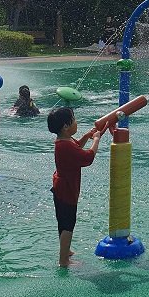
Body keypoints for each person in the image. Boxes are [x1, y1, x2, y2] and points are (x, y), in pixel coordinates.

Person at [47, 107, 103, 267]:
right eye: (74, 119)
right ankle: (64, 260)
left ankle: (66, 250)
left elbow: (77, 145)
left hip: (61, 188)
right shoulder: (65, 146)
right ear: (66, 126)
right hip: (67, 190)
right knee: (68, 225)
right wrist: (96, 140)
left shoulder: (64, 141)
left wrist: (87, 135)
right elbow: (88, 157)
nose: (76, 122)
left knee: (62, 221)